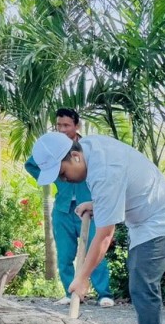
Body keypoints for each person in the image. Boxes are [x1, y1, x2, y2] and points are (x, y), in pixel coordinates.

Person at [29, 131, 165, 324]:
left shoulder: (104, 172)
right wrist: (97, 205)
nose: (63, 179)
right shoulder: (89, 148)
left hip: (161, 219)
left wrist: (83, 278)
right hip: (142, 218)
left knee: (142, 281)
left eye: (63, 173)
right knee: (138, 273)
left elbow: (104, 236)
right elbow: (121, 185)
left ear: (75, 156)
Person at [24, 109, 114, 307]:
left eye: (67, 125)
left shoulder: (86, 149)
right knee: (64, 253)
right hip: (63, 208)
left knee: (95, 247)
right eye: (59, 125)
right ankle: (70, 292)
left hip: (90, 207)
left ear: (76, 126)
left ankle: (104, 294)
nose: (63, 129)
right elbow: (30, 164)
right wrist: (56, 176)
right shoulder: (52, 149)